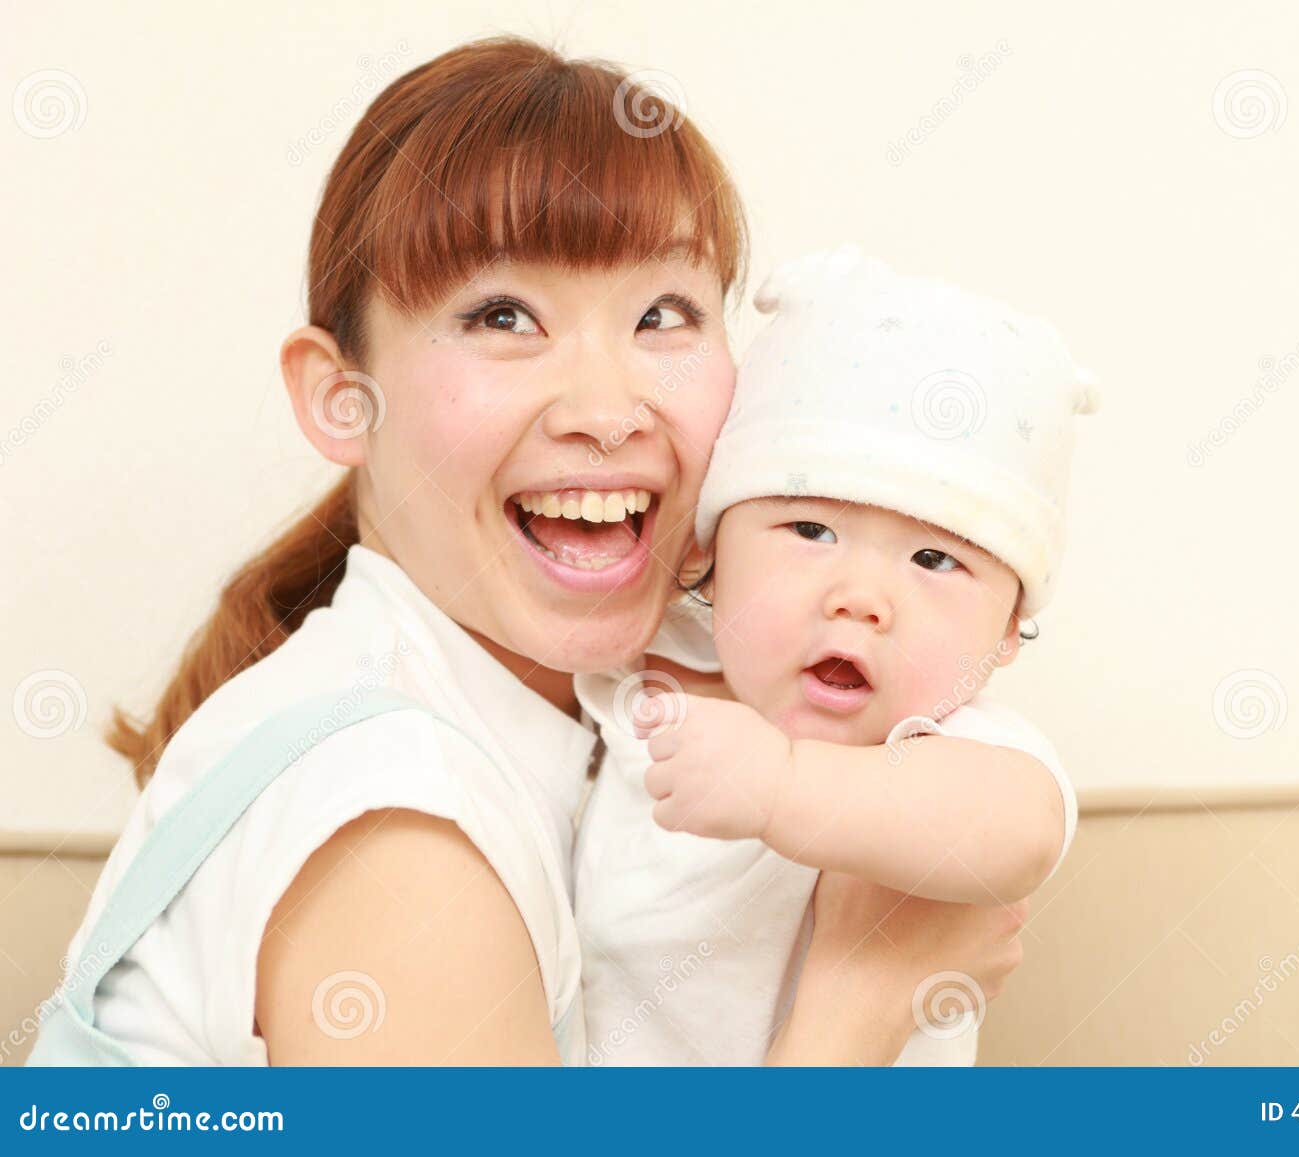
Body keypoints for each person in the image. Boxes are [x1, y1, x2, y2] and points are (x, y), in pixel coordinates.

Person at [28, 37, 1026, 1067]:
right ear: (342, 397)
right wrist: (863, 996)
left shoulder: (659, 703)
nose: (607, 409)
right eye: (503, 316)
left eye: (662, 314)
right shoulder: (397, 835)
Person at [574, 246, 1100, 1064]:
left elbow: (1021, 830)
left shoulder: (946, 746)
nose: (860, 597)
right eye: (812, 530)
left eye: (934, 559)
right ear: (712, 552)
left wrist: (780, 785)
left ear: (1006, 632)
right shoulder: (631, 687)